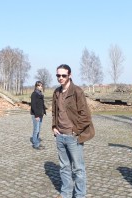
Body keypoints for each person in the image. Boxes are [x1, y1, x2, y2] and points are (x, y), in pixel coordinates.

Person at [51, 64, 94, 198]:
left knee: (78, 169)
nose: (61, 78)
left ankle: (80, 195)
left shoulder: (77, 91)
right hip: (60, 136)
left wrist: (75, 131)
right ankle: (66, 193)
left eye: (63, 75)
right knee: (64, 167)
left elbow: (85, 116)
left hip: (73, 137)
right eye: (58, 75)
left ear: (69, 75)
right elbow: (54, 112)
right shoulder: (56, 92)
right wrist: (53, 126)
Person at [30, 81, 46, 150]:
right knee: (36, 130)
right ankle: (35, 144)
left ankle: (37, 142)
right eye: (39, 86)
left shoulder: (40, 94)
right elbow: (33, 106)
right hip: (36, 115)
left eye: (41, 86)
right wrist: (36, 115)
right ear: (36, 86)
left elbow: (41, 104)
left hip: (41, 114)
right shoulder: (34, 94)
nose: (40, 87)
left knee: (38, 130)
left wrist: (44, 110)